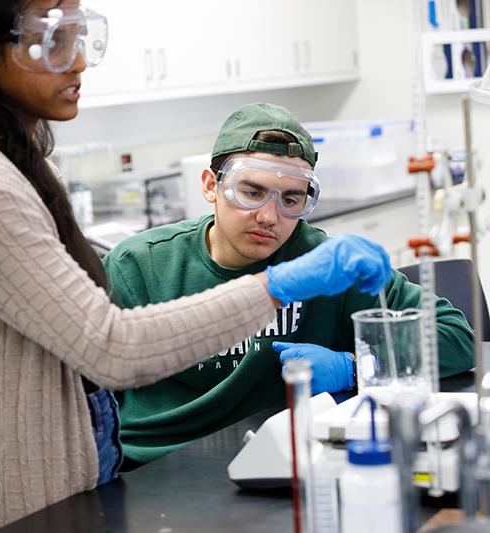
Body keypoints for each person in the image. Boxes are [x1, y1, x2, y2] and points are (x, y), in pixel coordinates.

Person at [0, 1, 394, 529]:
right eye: (52, 40)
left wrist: (349, 365)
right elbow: (111, 348)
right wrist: (276, 286)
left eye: (80, 35)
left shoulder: (17, 161)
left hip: (78, 480)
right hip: (27, 497)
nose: (78, 62)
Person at [102, 102, 475, 468]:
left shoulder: (324, 266)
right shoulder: (140, 266)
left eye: (291, 200)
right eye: (251, 192)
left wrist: (354, 367)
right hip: (154, 466)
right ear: (211, 186)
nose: (269, 217)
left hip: (274, 457)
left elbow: (457, 337)